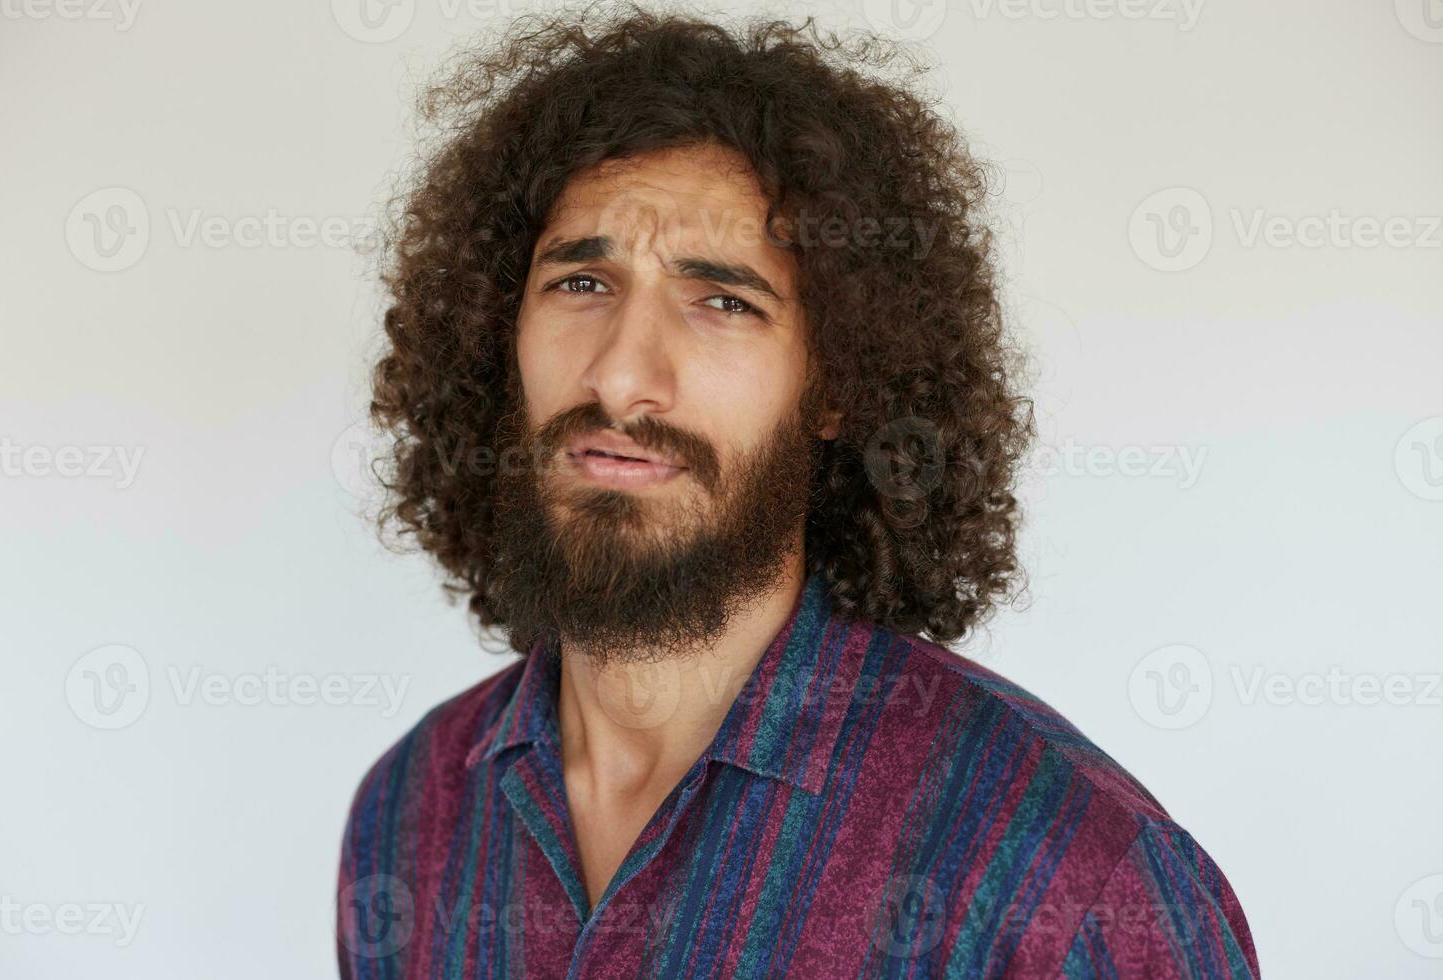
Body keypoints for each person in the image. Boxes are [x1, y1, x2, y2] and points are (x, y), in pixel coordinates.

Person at [335, 6, 1259, 976]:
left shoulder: (1063, 878)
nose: (619, 375)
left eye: (723, 301)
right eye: (581, 283)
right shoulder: (413, 812)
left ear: (837, 382)